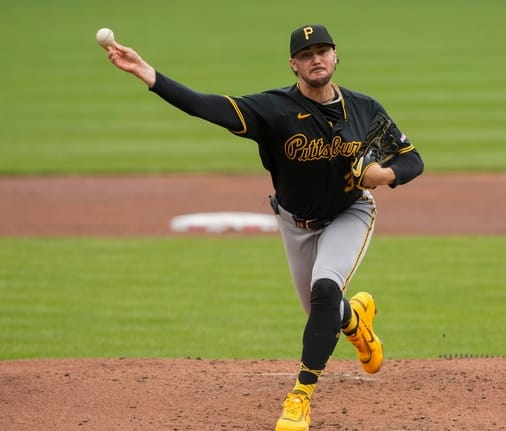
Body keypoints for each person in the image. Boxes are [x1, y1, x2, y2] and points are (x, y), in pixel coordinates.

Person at [102, 24, 424, 431]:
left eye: (322, 51)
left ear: (335, 56)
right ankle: (355, 320)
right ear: (293, 64)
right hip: (295, 224)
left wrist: (385, 175)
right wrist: (148, 73)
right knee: (322, 310)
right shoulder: (274, 110)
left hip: (350, 212)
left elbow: (412, 160)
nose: (316, 59)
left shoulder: (364, 109)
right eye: (306, 54)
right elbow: (205, 106)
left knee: (325, 289)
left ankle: (300, 397)